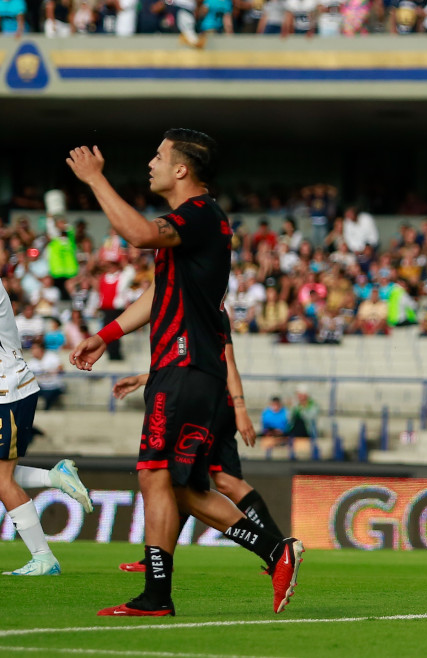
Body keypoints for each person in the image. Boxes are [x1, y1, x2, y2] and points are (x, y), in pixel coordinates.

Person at [66, 130, 302, 617]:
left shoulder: (198, 215)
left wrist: (95, 180)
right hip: (186, 367)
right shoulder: (196, 223)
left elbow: (136, 234)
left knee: (154, 474)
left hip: (186, 365)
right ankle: (276, 551)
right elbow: (159, 295)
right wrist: (107, 334)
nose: (150, 162)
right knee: (181, 487)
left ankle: (158, 597)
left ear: (181, 170)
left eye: (158, 155)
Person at [112, 310, 287, 572]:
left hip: (212, 407)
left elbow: (225, 361)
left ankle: (278, 549)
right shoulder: (195, 301)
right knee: (193, 482)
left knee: (185, 482)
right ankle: (277, 549)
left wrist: (240, 407)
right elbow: (188, 365)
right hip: (212, 402)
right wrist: (142, 379)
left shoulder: (206, 305)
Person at [0, 278, 93, 576]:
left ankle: (44, 558)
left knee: (2, 480)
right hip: (11, 387)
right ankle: (55, 476)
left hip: (7, 391)